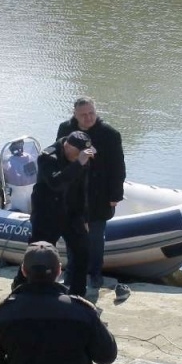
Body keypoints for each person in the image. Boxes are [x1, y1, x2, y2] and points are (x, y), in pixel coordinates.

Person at [56, 97, 126, 291]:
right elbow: (58, 159)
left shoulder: (109, 134)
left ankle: (95, 275)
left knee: (95, 238)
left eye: (91, 113)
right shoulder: (65, 130)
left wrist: (115, 196)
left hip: (99, 194)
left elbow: (118, 167)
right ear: (75, 114)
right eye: (83, 115)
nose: (88, 118)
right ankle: (71, 274)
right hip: (73, 193)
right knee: (72, 236)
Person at [30, 131, 93, 297]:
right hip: (47, 214)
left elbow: (83, 189)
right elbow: (56, 183)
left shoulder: (81, 159)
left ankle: (78, 295)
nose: (82, 156)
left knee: (83, 252)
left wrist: (85, 217)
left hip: (71, 213)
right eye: (78, 152)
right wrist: (78, 164)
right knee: (37, 255)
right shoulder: (48, 157)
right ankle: (26, 290)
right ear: (68, 146)